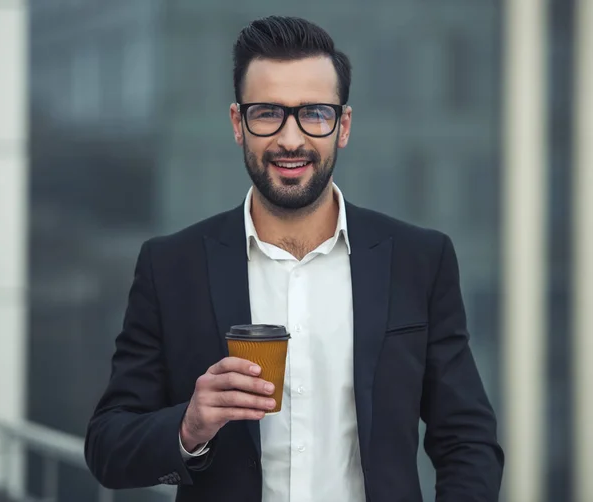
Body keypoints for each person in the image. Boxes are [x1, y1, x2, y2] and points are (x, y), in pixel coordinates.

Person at [85, 15, 504, 502]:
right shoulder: (170, 266)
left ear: (342, 126)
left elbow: (468, 441)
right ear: (238, 124)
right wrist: (189, 424)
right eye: (267, 113)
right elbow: (107, 447)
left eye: (315, 114)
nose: (290, 138)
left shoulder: (418, 260)